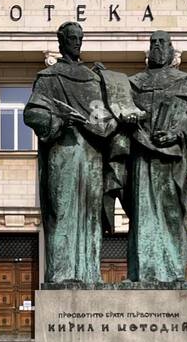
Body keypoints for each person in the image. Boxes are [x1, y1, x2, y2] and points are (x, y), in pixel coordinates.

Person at [24, 22, 130, 285]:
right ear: (61, 41)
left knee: (91, 214)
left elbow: (108, 115)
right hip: (64, 152)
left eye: (79, 38)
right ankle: (61, 275)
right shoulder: (49, 78)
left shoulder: (94, 78)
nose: (76, 42)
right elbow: (32, 113)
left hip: (93, 153)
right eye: (71, 38)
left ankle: (89, 274)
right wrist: (57, 120)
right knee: (63, 210)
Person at [124, 32, 187, 285]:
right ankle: (140, 274)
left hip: (171, 160)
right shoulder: (134, 83)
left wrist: (177, 132)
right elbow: (120, 111)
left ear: (172, 50)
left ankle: (173, 273)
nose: (157, 47)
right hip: (141, 157)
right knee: (141, 214)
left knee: (172, 213)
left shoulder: (184, 81)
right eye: (153, 43)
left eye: (162, 43)